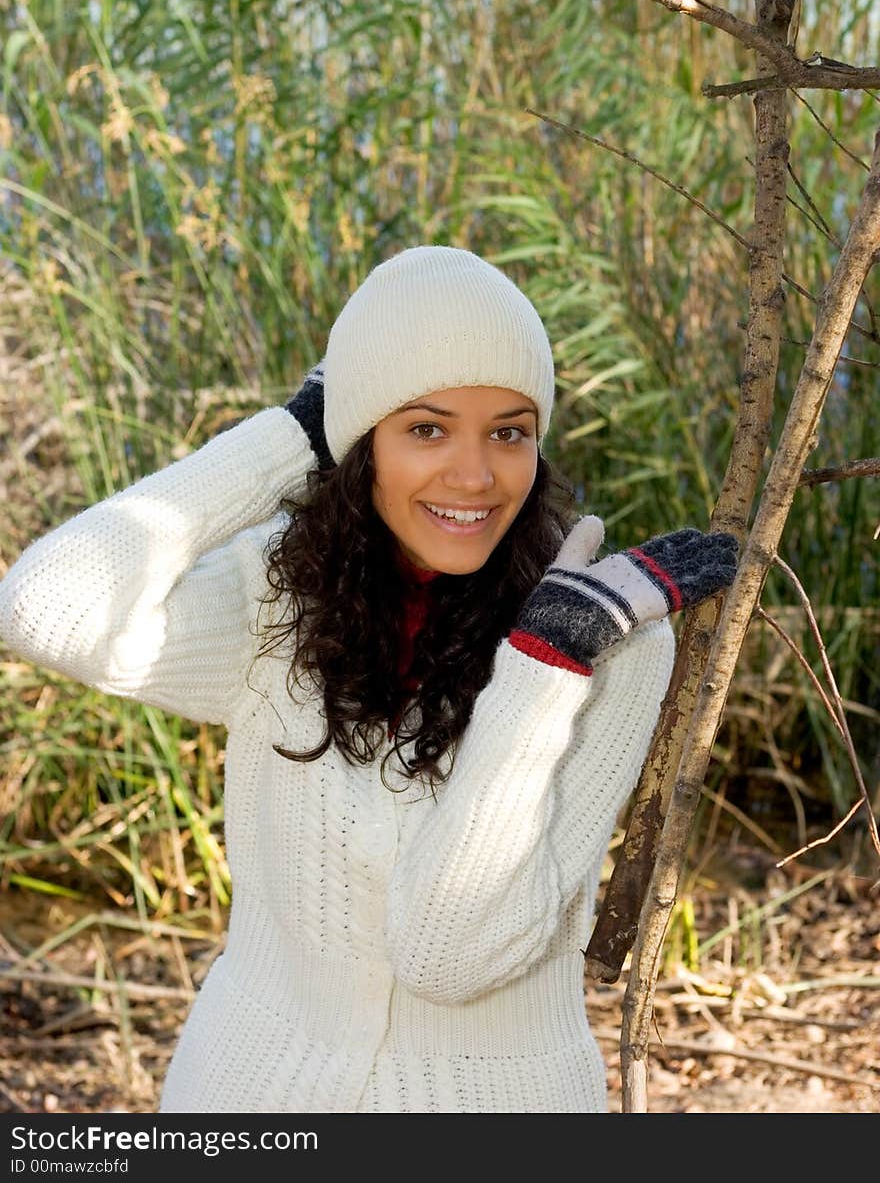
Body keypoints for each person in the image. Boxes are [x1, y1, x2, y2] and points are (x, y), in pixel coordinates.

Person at [0, 245, 737, 1114]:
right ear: (361, 444)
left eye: (509, 431)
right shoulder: (278, 594)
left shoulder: (607, 641)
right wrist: (292, 435)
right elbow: (43, 609)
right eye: (425, 427)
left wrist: (545, 665)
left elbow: (448, 953)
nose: (474, 475)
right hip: (248, 1096)